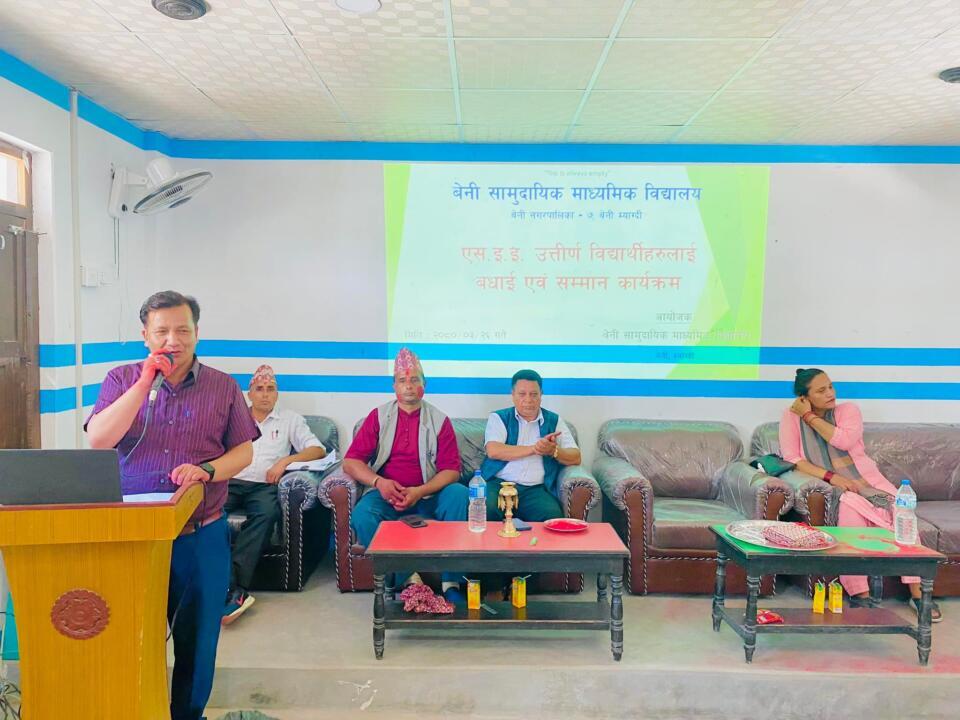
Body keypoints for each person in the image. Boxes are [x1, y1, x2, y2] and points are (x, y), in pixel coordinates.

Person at [85, 290, 260, 720]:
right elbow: (99, 439)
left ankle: (188, 715)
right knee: (129, 634)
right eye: (162, 331)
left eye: (183, 330)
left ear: (197, 333)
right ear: (145, 335)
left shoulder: (222, 386)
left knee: (198, 642)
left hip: (200, 532)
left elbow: (244, 452)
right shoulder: (121, 379)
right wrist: (145, 382)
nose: (173, 340)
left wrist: (208, 470)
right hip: (130, 536)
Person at [780, 368, 942, 622]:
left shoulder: (848, 411)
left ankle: (918, 593)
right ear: (804, 397)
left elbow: (843, 441)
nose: (830, 393)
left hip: (869, 479)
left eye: (831, 386)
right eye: (821, 390)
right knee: (849, 516)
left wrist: (809, 416)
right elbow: (793, 459)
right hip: (836, 484)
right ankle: (860, 593)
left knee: (902, 515)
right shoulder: (791, 418)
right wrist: (833, 478)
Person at [343, 348, 468, 602]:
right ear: (394, 386)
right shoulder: (378, 417)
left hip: (428, 494)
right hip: (387, 494)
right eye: (402, 380)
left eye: (414, 380)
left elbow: (452, 471)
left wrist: (420, 491)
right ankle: (408, 579)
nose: (408, 386)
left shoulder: (439, 420)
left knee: (459, 494)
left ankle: (451, 582)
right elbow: (350, 461)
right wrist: (379, 482)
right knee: (362, 515)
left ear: (424, 385)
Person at [222, 364, 327, 625]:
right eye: (259, 389)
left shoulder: (289, 419)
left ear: (277, 394)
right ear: (250, 393)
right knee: (208, 516)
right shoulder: (233, 417)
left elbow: (317, 449)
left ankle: (235, 588)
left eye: (271, 389)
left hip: (264, 485)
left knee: (267, 514)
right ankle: (225, 584)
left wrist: (285, 461)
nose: (265, 394)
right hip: (230, 481)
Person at [480, 369, 582, 523]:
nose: (528, 400)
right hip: (498, 484)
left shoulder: (554, 421)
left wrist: (554, 451)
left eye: (534, 394)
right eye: (522, 394)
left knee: (552, 518)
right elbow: (493, 451)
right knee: (484, 508)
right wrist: (536, 448)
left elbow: (576, 457)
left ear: (541, 395)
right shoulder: (499, 418)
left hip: (535, 490)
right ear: (513, 395)